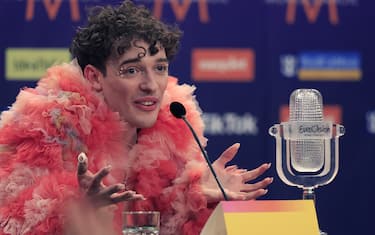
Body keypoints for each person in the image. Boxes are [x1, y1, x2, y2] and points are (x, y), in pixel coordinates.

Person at [0, 1, 273, 234]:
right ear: (95, 77)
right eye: (132, 71)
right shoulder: (46, 126)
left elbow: (164, 224)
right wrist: (70, 210)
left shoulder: (175, 128)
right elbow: (9, 220)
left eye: (160, 68)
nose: (151, 85)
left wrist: (193, 198)